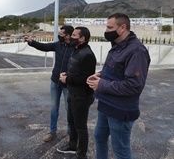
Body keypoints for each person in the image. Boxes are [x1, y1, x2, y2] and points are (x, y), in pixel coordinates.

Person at [87, 13, 151, 159]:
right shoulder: (117, 46)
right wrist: (101, 75)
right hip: (106, 104)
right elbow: (116, 70)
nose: (106, 30)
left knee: (120, 149)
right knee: (99, 137)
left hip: (121, 110)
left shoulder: (136, 51)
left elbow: (134, 85)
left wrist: (101, 84)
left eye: (110, 27)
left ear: (122, 28)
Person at [24, 25, 74, 142]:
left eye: (61, 34)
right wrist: (31, 42)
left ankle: (70, 133)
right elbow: (44, 47)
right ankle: (52, 132)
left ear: (68, 35)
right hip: (55, 81)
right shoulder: (58, 45)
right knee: (53, 108)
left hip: (68, 83)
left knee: (69, 109)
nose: (59, 36)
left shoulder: (75, 47)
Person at [57, 27, 97, 159]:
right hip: (72, 93)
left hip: (81, 96)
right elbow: (76, 71)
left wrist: (67, 79)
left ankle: (81, 154)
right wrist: (67, 74)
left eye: (74, 35)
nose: (71, 37)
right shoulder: (76, 50)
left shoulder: (87, 55)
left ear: (82, 39)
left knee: (80, 126)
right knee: (71, 121)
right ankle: (72, 145)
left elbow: (86, 78)